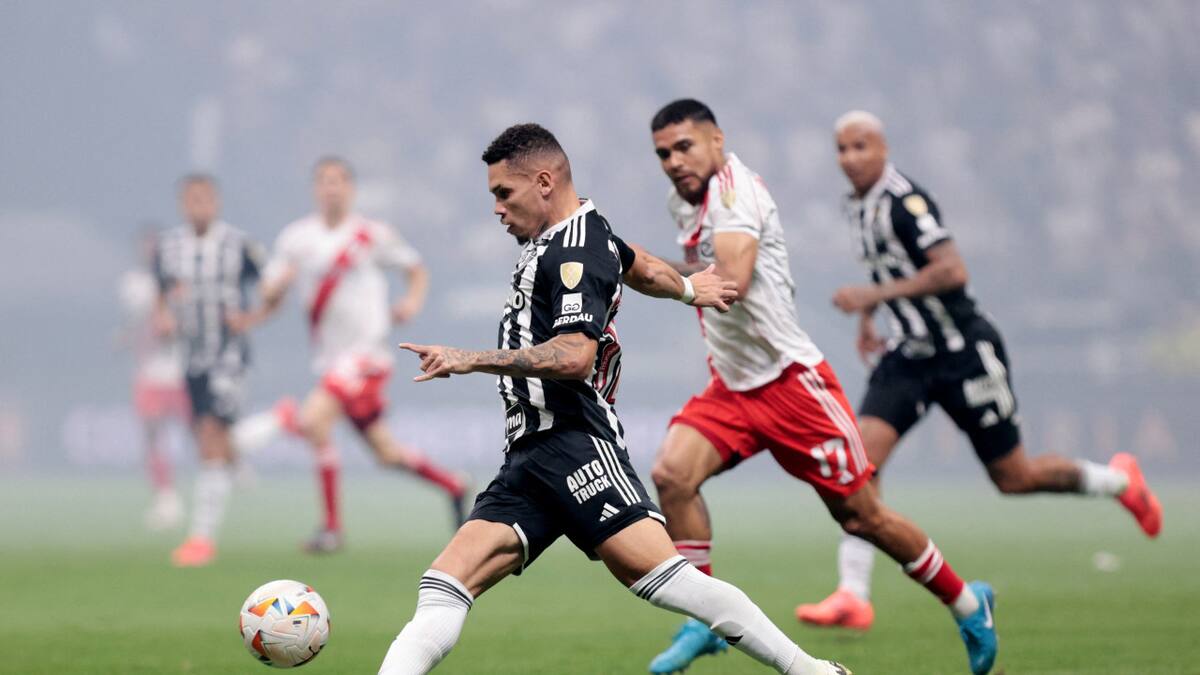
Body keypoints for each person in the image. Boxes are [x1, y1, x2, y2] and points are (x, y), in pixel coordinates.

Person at [376, 123, 850, 675]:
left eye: (504, 194)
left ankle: (811, 671)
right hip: (530, 456)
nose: (497, 209)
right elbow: (638, 263)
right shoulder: (582, 235)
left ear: (545, 182)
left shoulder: (574, 248)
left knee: (671, 581)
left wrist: (469, 358)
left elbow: (576, 356)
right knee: (441, 587)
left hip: (576, 443)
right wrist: (691, 287)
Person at [642, 99, 998, 675]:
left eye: (684, 146)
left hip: (792, 385)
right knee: (671, 476)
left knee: (863, 518)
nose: (673, 161)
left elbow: (729, 282)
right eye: (662, 153)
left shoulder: (736, 195)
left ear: (716, 140)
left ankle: (967, 602)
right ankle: (701, 621)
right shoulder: (681, 201)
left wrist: (640, 267)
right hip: (732, 386)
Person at [796, 110, 1163, 632]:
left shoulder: (905, 202)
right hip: (909, 355)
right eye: (841, 149)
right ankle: (853, 595)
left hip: (963, 350)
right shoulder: (856, 205)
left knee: (1014, 477)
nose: (850, 158)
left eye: (860, 146)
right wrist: (870, 316)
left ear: (883, 148)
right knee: (859, 467)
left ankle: (1117, 480)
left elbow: (951, 270)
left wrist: (871, 296)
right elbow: (886, 268)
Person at [237, 157, 467, 553]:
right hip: (330, 358)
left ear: (351, 189)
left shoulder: (370, 234)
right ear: (315, 189)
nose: (332, 188)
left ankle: (329, 524)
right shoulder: (296, 239)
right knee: (385, 453)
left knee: (311, 419)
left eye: (339, 181)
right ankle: (454, 485)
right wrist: (271, 295)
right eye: (325, 181)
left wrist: (411, 302)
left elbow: (416, 269)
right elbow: (270, 294)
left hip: (366, 355)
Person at [154, 175, 265, 567]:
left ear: (216, 202)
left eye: (205, 199)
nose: (198, 206)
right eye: (191, 199)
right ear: (183, 203)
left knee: (211, 435)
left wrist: (252, 317)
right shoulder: (169, 247)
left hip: (228, 354)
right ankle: (279, 422)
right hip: (192, 357)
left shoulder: (237, 245)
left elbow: (271, 286)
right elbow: (161, 292)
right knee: (206, 435)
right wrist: (164, 317)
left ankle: (201, 539)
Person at [118, 228, 188, 530]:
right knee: (152, 434)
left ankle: (232, 467)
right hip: (150, 372)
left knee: (203, 432)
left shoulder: (182, 282)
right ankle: (165, 495)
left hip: (181, 370)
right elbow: (138, 323)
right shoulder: (134, 284)